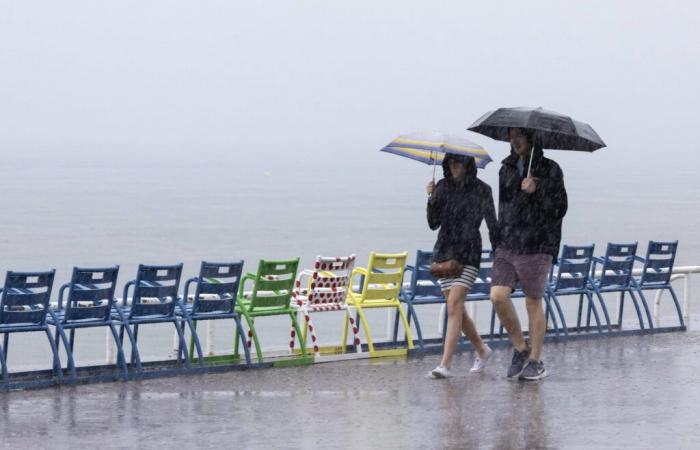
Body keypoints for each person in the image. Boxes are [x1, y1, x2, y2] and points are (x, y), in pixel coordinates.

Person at [490, 128, 568, 381]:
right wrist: (498, 238)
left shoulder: (551, 169)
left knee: (533, 301)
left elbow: (560, 207)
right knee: (498, 296)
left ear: (531, 138)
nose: (515, 140)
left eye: (520, 135)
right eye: (511, 135)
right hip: (508, 243)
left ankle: (535, 360)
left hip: (537, 244)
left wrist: (538, 191)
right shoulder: (506, 168)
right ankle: (520, 349)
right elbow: (504, 205)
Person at [426, 153, 498, 378]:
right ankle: (482, 350)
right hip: (444, 253)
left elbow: (492, 224)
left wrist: (500, 254)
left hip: (469, 254)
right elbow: (432, 223)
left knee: (454, 303)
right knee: (455, 307)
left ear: (468, 164)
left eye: (458, 162)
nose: (454, 166)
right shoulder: (442, 187)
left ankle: (445, 365)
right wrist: (431, 199)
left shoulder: (482, 189)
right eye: (450, 162)